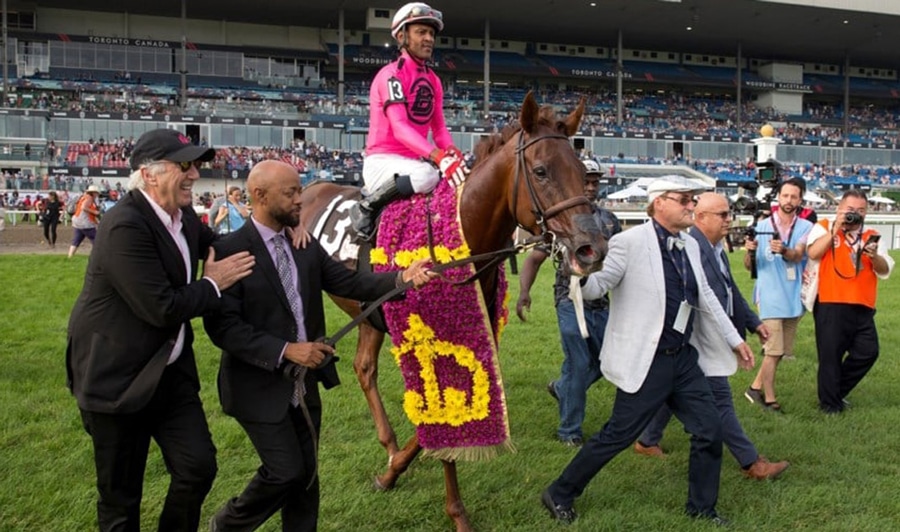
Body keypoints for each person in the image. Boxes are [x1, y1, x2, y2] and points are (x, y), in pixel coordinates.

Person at [204, 160, 435, 532]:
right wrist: (286, 350)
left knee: (307, 480)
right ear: (260, 196)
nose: (300, 199)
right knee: (286, 471)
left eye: (300, 190)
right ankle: (227, 525)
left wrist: (401, 278)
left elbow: (350, 283)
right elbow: (223, 328)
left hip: (304, 384)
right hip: (257, 388)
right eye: (290, 193)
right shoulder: (230, 249)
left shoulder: (304, 244)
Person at [66, 128, 256, 531]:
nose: (194, 175)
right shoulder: (124, 225)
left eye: (195, 166)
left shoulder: (182, 216)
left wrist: (277, 226)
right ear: (149, 174)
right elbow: (161, 308)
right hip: (116, 379)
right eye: (184, 166)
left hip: (168, 374)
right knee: (121, 500)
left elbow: (219, 245)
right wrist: (213, 284)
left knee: (197, 467)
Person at [541, 177, 754, 526]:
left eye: (693, 199)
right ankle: (560, 492)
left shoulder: (689, 244)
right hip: (648, 360)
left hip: (684, 359)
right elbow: (597, 287)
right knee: (617, 436)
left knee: (709, 429)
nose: (691, 205)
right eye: (684, 199)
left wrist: (735, 340)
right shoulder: (628, 243)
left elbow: (707, 297)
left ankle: (702, 510)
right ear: (659, 203)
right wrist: (579, 271)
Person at [633, 192, 789, 480]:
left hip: (704, 339)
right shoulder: (690, 248)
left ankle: (646, 440)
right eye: (723, 215)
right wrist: (731, 340)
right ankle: (751, 463)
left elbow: (730, 291)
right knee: (720, 401)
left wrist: (753, 323)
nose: (729, 220)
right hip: (699, 339)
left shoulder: (715, 247)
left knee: (672, 390)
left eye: (729, 214)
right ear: (701, 218)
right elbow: (703, 301)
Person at [517, 160, 621, 447]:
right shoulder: (559, 221)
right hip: (569, 300)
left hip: (601, 302)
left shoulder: (610, 220)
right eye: (585, 181)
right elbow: (534, 259)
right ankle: (569, 431)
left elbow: (622, 261)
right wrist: (524, 292)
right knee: (578, 363)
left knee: (605, 363)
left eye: (594, 182)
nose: (590, 187)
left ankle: (563, 388)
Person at [352, 2, 467, 240]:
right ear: (402, 36)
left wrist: (452, 152)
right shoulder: (390, 76)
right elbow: (400, 128)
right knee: (429, 175)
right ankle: (367, 206)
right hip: (383, 161)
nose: (429, 39)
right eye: (421, 32)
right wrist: (438, 157)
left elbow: (439, 128)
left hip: (413, 165)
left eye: (431, 33)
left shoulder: (434, 80)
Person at [806, 190, 894, 414]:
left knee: (868, 351)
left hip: (863, 305)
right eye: (851, 210)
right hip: (831, 302)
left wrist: (874, 256)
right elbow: (813, 253)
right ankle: (830, 406)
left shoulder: (872, 235)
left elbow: (885, 270)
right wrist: (836, 228)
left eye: (861, 211)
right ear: (839, 209)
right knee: (830, 356)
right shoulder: (823, 226)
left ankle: (834, 392)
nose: (855, 215)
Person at [742, 178, 813, 412]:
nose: (789, 200)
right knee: (774, 350)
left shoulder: (806, 227)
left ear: (800, 200)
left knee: (779, 352)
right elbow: (748, 266)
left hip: (793, 298)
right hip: (769, 296)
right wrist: (749, 252)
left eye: (794, 197)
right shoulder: (761, 226)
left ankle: (755, 388)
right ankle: (770, 399)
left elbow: (797, 255)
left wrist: (783, 250)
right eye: (785, 196)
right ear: (778, 197)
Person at [67, 185, 102, 258]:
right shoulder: (89, 198)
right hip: (85, 223)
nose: (97, 194)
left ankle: (70, 256)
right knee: (96, 239)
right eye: (96, 193)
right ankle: (98, 256)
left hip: (77, 221)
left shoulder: (83, 197)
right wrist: (95, 212)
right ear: (93, 193)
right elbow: (84, 207)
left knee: (77, 239)